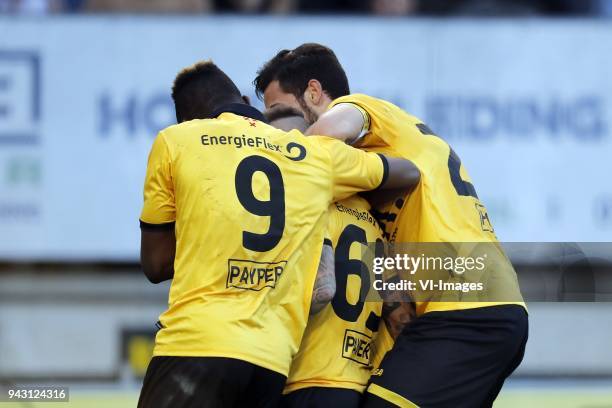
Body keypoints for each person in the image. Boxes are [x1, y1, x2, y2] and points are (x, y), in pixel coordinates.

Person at [254, 43, 528, 408]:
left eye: (280, 109)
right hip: (472, 307)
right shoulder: (369, 174)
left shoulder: (358, 109)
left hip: (466, 308)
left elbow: (331, 131)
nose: (279, 124)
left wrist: (276, 158)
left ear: (314, 92)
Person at [137, 60, 419, 408]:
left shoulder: (177, 140)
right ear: (245, 100)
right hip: (273, 362)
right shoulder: (314, 157)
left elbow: (156, 264)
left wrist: (212, 228)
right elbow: (408, 171)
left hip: (197, 342)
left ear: (188, 121)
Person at [265, 106, 396, 408]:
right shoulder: (371, 217)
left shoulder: (308, 210)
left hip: (307, 379)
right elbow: (398, 309)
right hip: (360, 381)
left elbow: (322, 290)